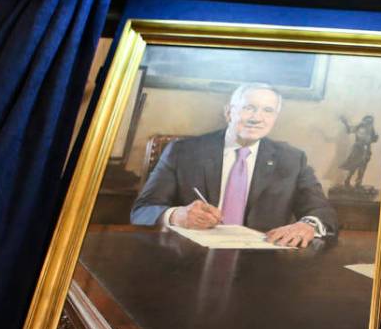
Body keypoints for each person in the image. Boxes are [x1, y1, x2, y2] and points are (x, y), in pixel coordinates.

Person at [131, 83, 338, 248]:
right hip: (189, 256)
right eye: (249, 108)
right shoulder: (183, 152)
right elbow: (142, 211)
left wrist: (307, 225)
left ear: (275, 118)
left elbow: (322, 211)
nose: (257, 118)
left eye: (267, 111)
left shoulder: (292, 159)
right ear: (229, 112)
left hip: (263, 264)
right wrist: (177, 216)